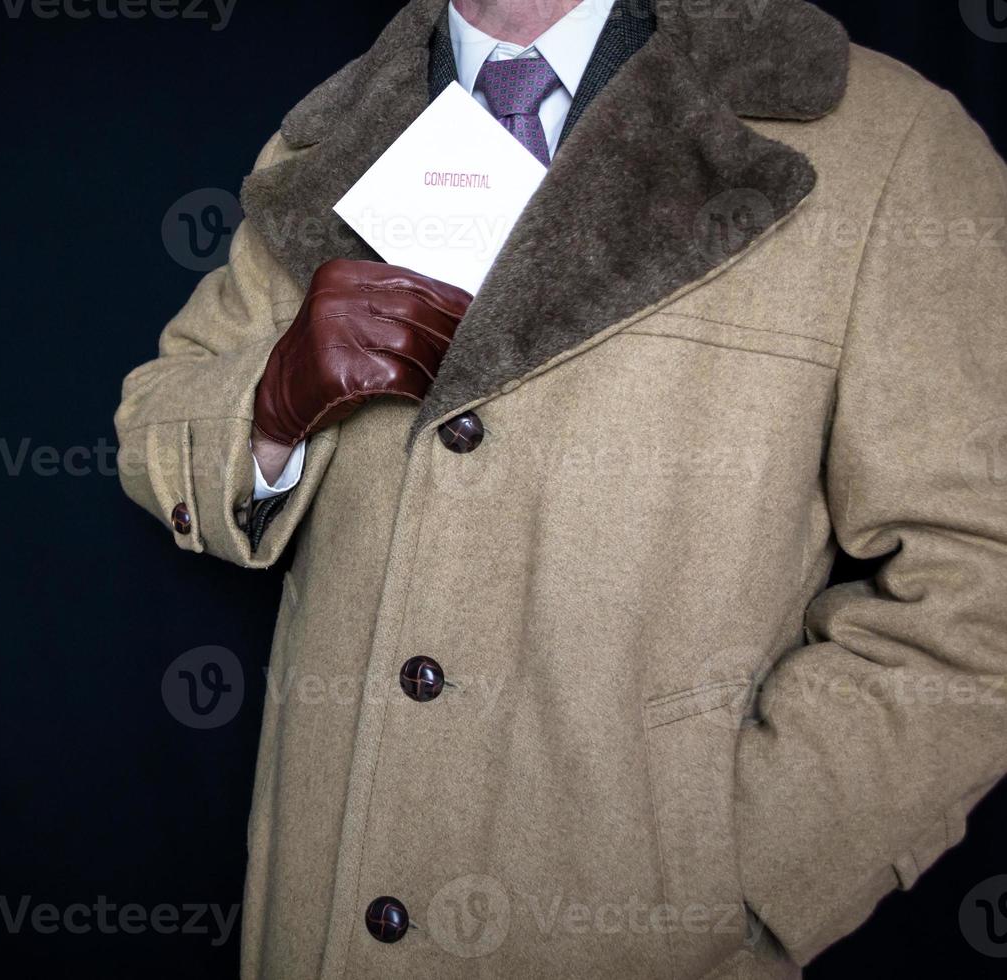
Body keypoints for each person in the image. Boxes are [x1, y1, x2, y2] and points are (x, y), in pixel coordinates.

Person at [114, 0, 1007, 976]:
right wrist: (276, 396)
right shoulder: (328, 136)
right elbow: (156, 417)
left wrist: (727, 869)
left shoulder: (888, 142)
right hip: (324, 930)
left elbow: (981, 596)